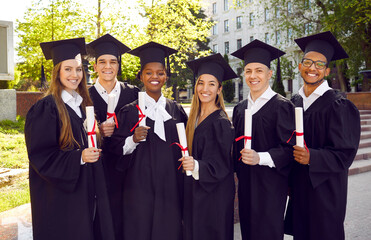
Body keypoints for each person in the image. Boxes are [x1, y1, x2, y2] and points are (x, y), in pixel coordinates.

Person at [25, 38, 114, 240]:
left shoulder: (81, 105)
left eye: (79, 69)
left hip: (83, 192)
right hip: (60, 199)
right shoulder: (46, 108)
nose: (75, 75)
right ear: (57, 72)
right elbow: (41, 156)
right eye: (68, 69)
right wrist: (79, 157)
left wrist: (98, 132)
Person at [284, 31, 361, 240]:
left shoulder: (339, 105)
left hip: (326, 192)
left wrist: (313, 157)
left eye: (319, 65)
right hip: (299, 191)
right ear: (300, 66)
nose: (312, 68)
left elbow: (345, 153)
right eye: (308, 62)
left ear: (326, 71)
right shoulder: (293, 103)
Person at [110, 42, 188, 240]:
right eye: (149, 72)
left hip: (170, 186)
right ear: (141, 76)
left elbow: (186, 147)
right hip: (138, 188)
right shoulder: (129, 111)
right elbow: (116, 151)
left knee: (168, 230)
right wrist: (133, 139)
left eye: (160, 73)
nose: (155, 77)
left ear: (166, 76)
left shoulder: (176, 111)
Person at [231, 39, 295, 240]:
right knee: (248, 232)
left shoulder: (282, 106)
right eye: (248, 71)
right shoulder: (240, 109)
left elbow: (289, 150)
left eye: (259, 70)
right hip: (246, 185)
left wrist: (261, 157)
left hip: (271, 187)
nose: (253, 76)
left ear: (269, 74)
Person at [86, 33, 139, 240]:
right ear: (95, 66)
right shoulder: (84, 96)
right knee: (102, 220)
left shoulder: (133, 93)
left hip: (129, 168)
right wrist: (98, 130)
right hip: (98, 169)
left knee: (128, 217)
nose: (108, 66)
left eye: (113, 61)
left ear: (119, 65)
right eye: (102, 62)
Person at [180, 53, 236, 240]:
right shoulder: (193, 118)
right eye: (201, 83)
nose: (205, 89)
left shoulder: (220, 122)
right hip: (195, 193)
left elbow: (221, 166)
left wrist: (195, 165)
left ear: (219, 89)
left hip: (214, 198)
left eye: (212, 84)